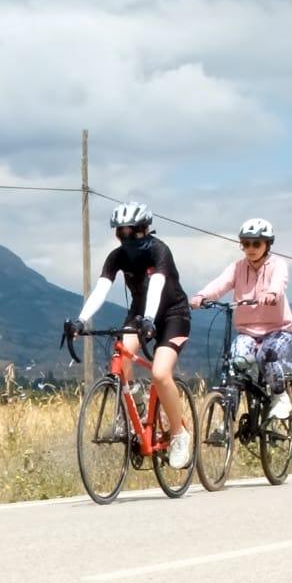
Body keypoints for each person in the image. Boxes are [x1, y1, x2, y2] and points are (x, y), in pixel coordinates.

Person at [73, 201, 194, 471]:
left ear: (144, 229)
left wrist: (151, 319)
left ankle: (179, 435)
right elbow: (101, 289)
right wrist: (81, 319)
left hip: (173, 314)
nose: (126, 237)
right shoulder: (117, 257)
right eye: (120, 232)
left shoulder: (159, 250)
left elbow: (157, 286)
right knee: (120, 357)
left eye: (132, 231)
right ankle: (133, 407)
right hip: (140, 314)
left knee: (161, 374)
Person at [193, 217, 292, 431]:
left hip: (278, 330)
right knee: (235, 365)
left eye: (256, 243)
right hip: (248, 332)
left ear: (267, 244)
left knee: (265, 357)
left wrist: (271, 293)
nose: (250, 248)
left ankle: (280, 395)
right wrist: (201, 295)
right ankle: (227, 423)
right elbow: (221, 284)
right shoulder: (238, 267)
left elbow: (280, 282)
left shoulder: (278, 265)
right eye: (246, 243)